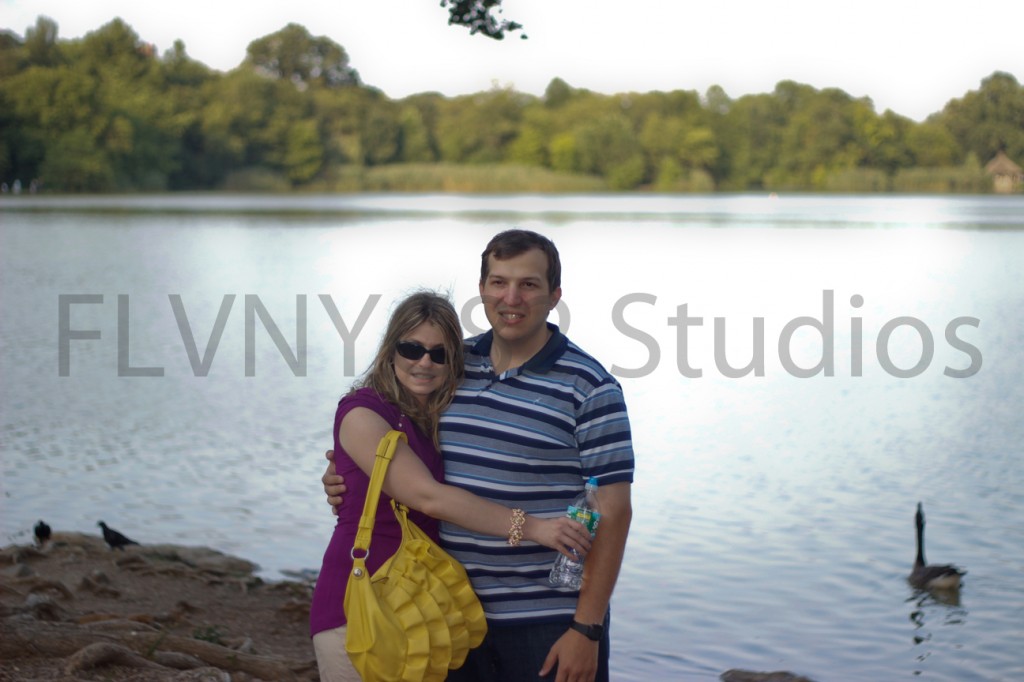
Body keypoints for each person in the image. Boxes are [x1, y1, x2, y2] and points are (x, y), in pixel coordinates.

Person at [323, 230, 635, 682]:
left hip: (546, 621)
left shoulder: (589, 387)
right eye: (498, 282)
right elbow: (394, 441)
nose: (511, 297)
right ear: (483, 289)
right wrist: (343, 478)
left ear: (554, 296)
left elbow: (615, 512)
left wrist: (586, 628)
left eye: (528, 284)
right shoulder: (450, 363)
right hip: (450, 612)